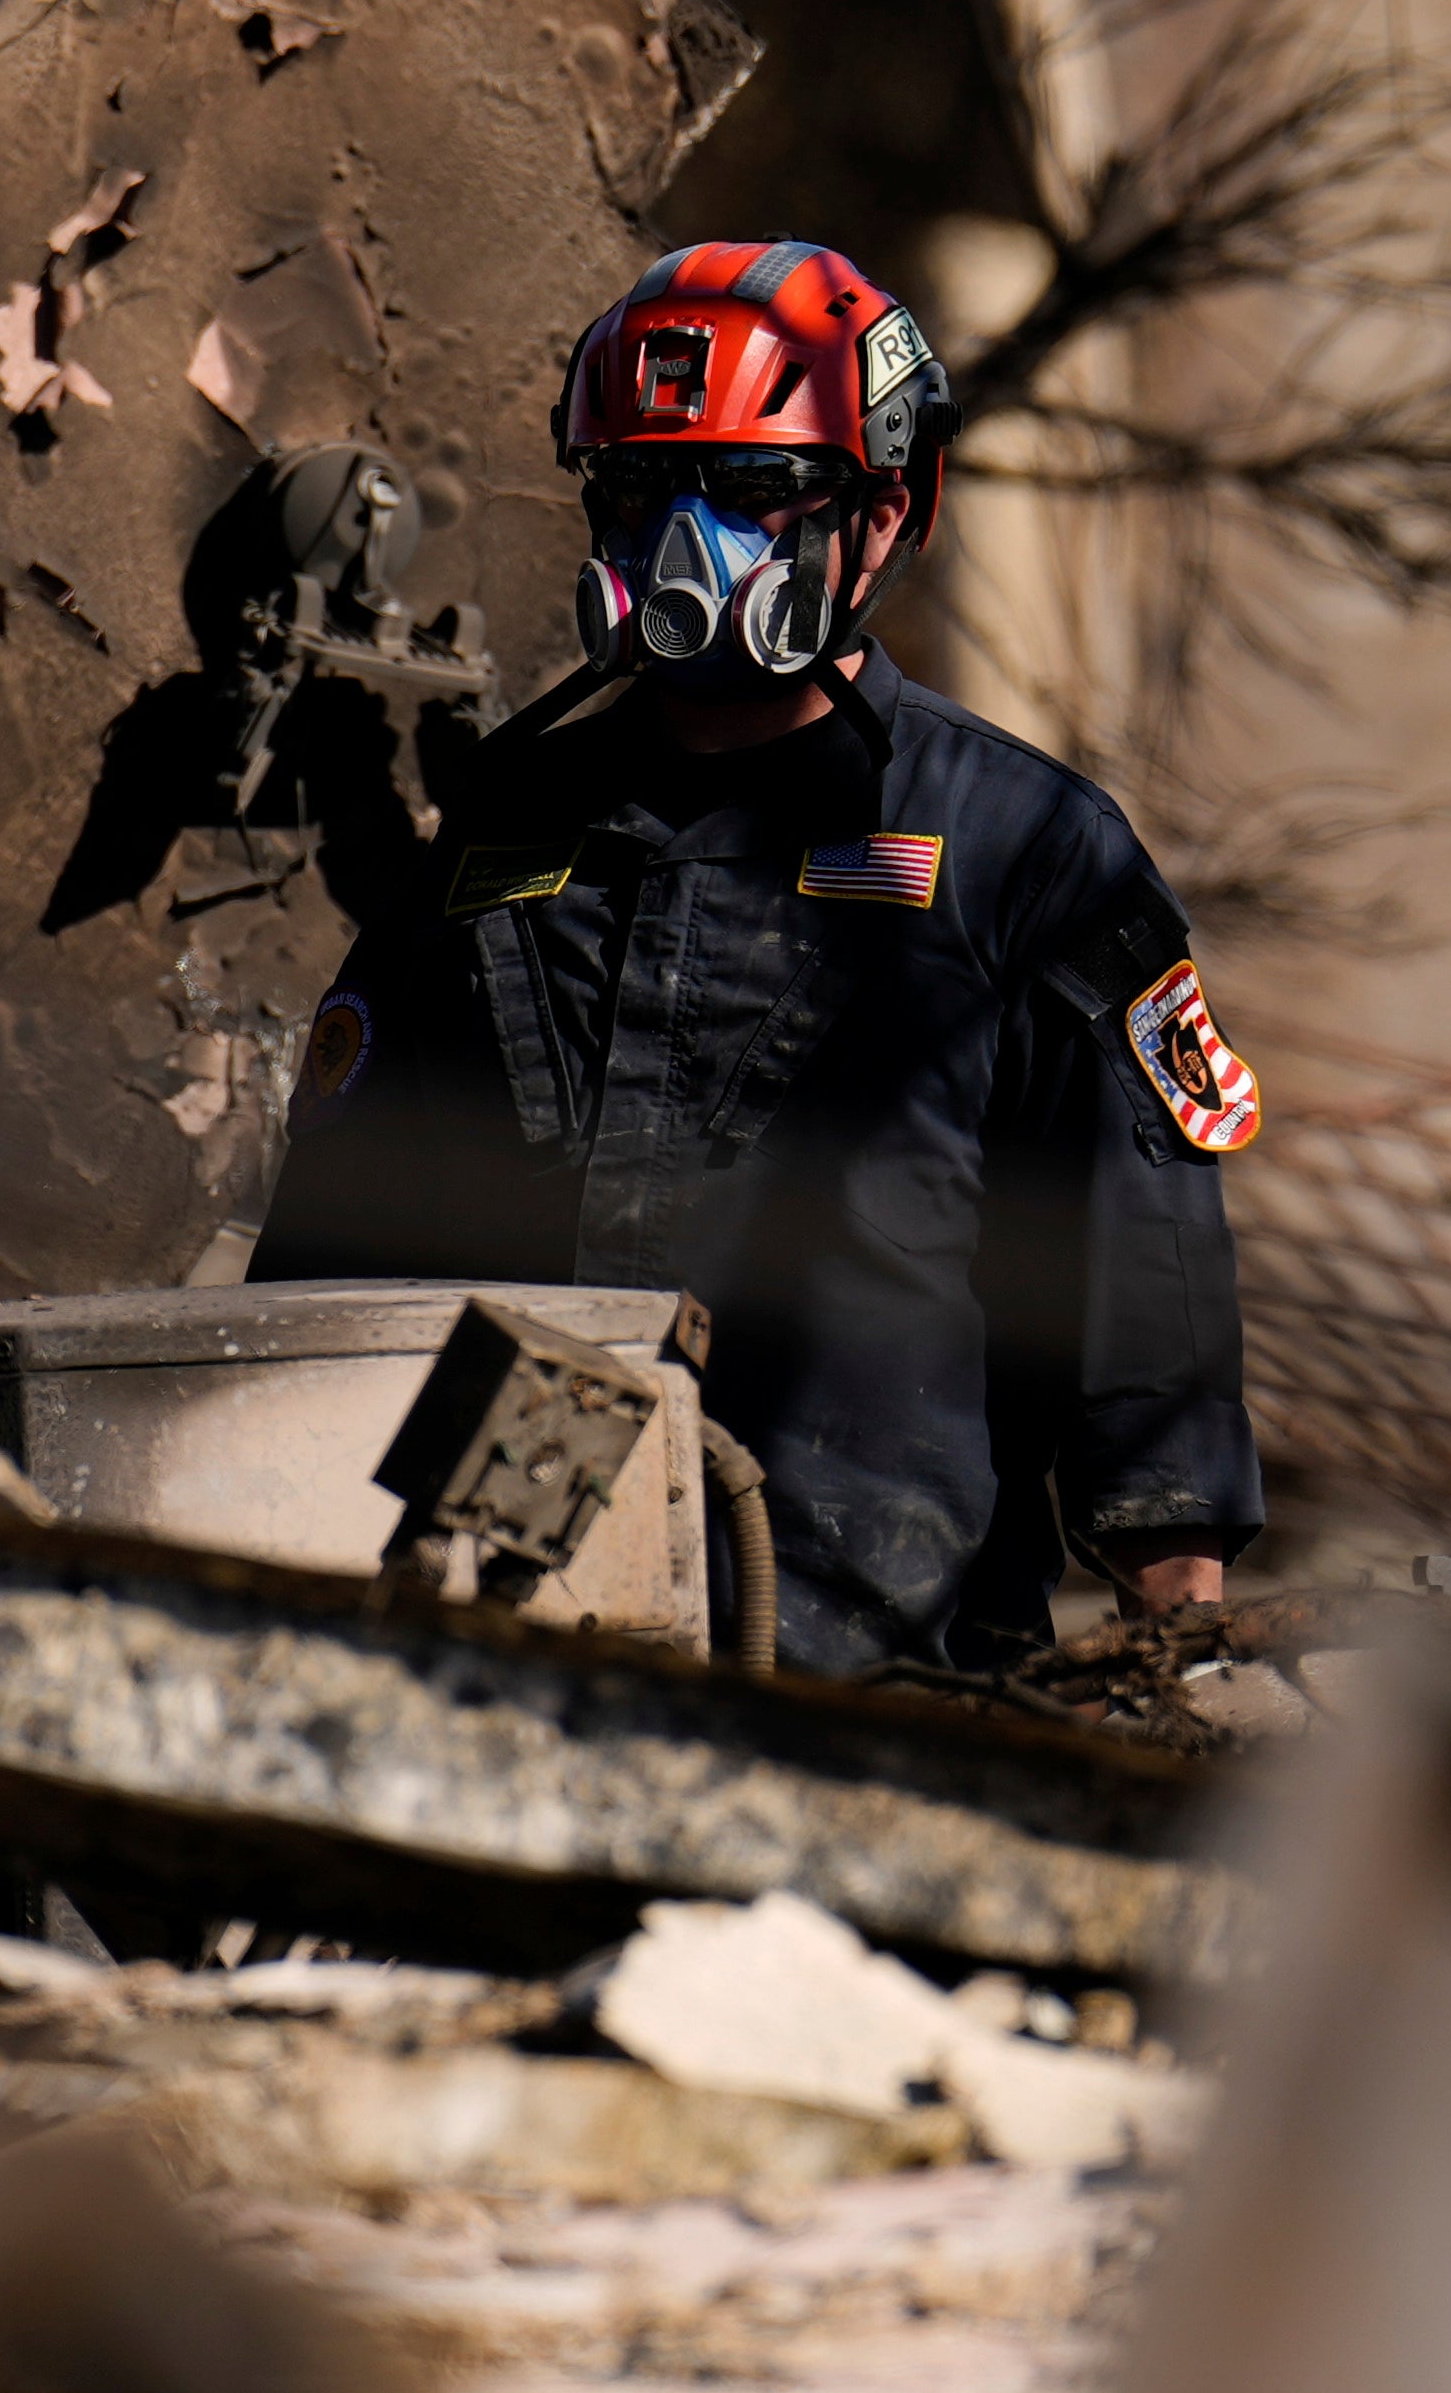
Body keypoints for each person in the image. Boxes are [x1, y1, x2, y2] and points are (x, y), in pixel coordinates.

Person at [251, 237, 1263, 1675]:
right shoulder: (491, 841)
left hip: (883, 1697)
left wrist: (1184, 1653)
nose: (684, 542)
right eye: (638, 491)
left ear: (885, 507)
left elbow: (1141, 1308)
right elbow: (326, 1279)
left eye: (747, 493)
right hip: (498, 1684)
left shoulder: (1023, 854)